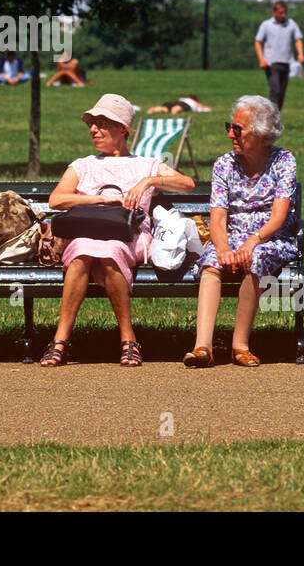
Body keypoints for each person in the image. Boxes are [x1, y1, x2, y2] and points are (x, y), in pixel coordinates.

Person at [39, 94, 195, 367]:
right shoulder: (83, 165)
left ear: (122, 129)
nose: (93, 130)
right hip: (86, 234)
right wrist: (101, 199)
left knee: (110, 249)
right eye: (91, 124)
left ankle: (127, 337)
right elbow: (57, 199)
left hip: (128, 236)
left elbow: (187, 184)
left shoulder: (145, 165)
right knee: (84, 247)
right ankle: (61, 340)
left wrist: (147, 182)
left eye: (101, 123)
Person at [184, 95, 297, 368]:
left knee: (254, 260)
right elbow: (218, 217)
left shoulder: (284, 161)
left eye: (237, 129)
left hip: (270, 236)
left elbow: (279, 216)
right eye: (229, 126)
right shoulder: (224, 164)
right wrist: (222, 248)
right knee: (211, 264)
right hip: (231, 233)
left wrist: (253, 241)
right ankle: (203, 347)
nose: (229, 134)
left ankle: (240, 345)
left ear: (260, 134)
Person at [253, 0, 304, 109]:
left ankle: (275, 117)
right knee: (275, 91)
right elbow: (258, 42)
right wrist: (261, 59)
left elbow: (298, 40)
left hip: (286, 62)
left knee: (281, 94)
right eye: (281, 13)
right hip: (271, 64)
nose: (283, 15)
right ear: (274, 12)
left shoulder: (291, 24)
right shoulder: (266, 25)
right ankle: (271, 119)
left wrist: (300, 53)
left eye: (285, 12)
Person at [146, 95, 212, 114]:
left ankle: (150, 111)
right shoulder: (193, 101)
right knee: (176, 108)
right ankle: (173, 113)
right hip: (185, 104)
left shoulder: (183, 98)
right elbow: (206, 108)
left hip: (175, 101)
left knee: (164, 108)